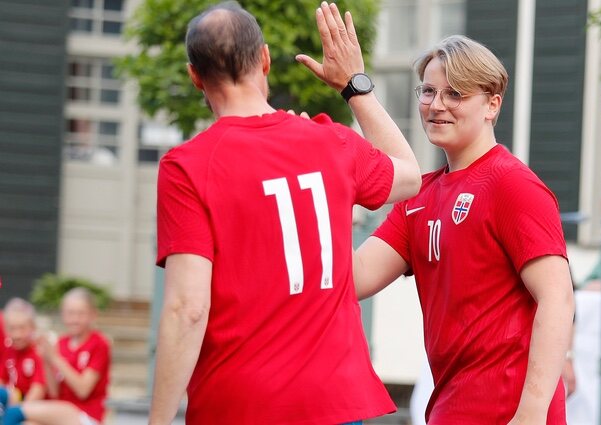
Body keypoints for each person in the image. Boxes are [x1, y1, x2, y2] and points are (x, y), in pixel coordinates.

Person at [149, 1, 421, 424]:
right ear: (265, 59)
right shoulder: (330, 143)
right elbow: (409, 176)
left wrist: (158, 419)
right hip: (337, 401)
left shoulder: (187, 167)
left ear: (195, 76)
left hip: (241, 404)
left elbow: (188, 308)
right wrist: (354, 87)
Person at [353, 35, 575, 424]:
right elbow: (351, 279)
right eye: (428, 91)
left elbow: (557, 300)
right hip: (450, 408)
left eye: (455, 94)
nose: (437, 105)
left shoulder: (512, 184)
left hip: (509, 411)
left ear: (492, 104)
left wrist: (532, 412)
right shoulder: (419, 197)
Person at [1, 287, 110, 425]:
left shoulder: (99, 343)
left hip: (86, 414)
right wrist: (46, 360)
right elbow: (54, 392)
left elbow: (83, 390)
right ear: (63, 314)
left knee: (14, 413)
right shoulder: (62, 342)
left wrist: (54, 358)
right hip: (61, 410)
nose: (75, 319)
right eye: (70, 313)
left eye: (81, 314)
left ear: (93, 314)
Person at [0, 298, 46, 405]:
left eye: (22, 328)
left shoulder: (38, 352)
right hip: (10, 399)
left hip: (29, 405)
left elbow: (38, 390)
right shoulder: (8, 350)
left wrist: (18, 411)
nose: (17, 335)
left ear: (33, 327)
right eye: (12, 329)